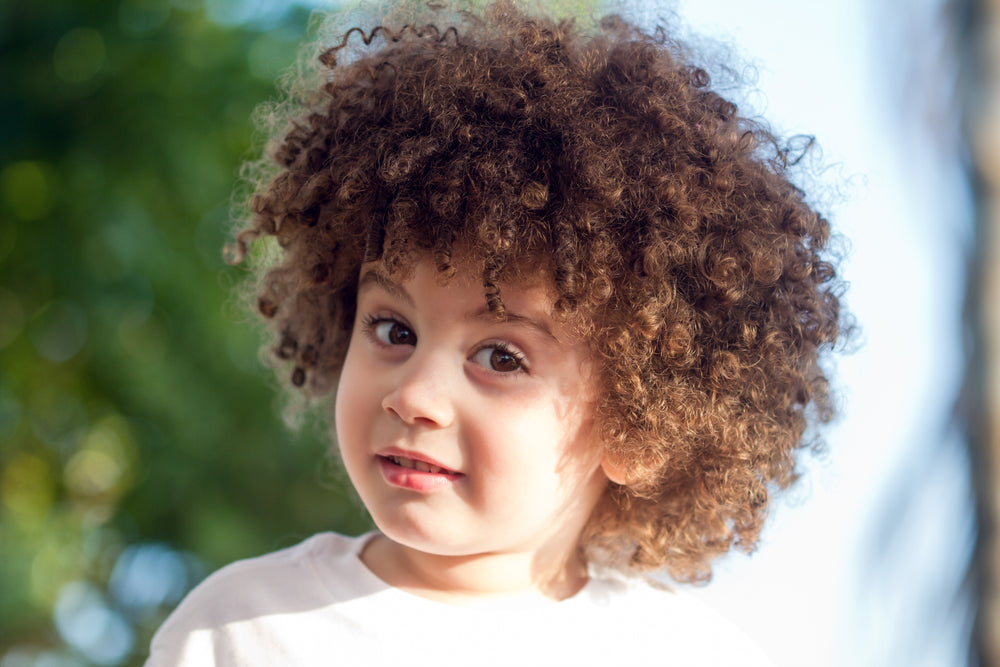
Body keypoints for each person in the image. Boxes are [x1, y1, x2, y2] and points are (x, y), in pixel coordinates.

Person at [147, 1, 846, 664]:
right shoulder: (239, 630)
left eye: (501, 356)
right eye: (393, 328)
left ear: (640, 426)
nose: (415, 394)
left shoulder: (690, 656)